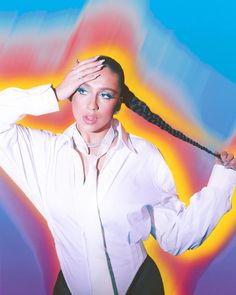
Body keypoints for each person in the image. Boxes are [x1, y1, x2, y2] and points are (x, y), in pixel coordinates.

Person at [0, 55, 235, 295]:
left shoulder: (143, 156)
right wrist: (55, 93)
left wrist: (221, 185)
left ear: (118, 101)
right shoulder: (42, 154)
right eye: (82, 90)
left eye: (105, 94)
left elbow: (176, 237)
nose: (92, 105)